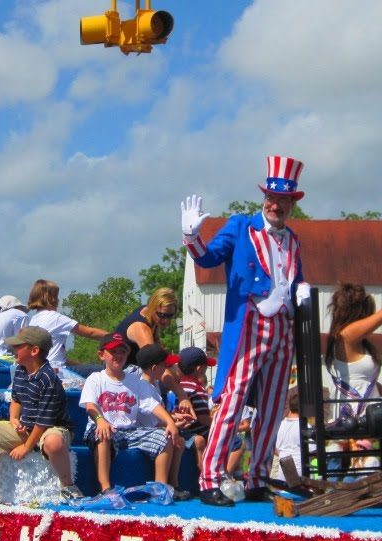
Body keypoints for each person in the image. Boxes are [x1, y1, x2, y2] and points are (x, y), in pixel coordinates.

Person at [180, 155, 308, 507]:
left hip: (283, 326)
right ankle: (210, 478)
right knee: (234, 401)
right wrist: (192, 235)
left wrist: (303, 293)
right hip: (250, 322)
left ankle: (257, 478)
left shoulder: (293, 241)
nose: (276, 205)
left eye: (283, 200)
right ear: (264, 198)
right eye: (272, 197)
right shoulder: (241, 227)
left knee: (272, 405)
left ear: (291, 204)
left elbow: (295, 281)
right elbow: (206, 258)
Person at [0, 326, 82, 505]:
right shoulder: (21, 371)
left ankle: (68, 486)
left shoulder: (49, 379)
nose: (13, 349)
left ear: (34, 350)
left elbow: (44, 422)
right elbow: (16, 399)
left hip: (51, 428)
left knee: (53, 443)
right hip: (28, 426)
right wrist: (14, 419)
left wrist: (25, 447)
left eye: (18, 346)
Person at [79, 333, 179, 494]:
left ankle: (160, 487)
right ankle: (105, 488)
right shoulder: (95, 379)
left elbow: (152, 405)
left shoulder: (135, 382)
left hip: (129, 432)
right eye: (113, 352)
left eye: (122, 352)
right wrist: (100, 420)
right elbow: (90, 405)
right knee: (103, 434)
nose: (118, 356)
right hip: (102, 427)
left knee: (165, 437)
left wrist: (170, 422)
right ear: (101, 355)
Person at [325, 278, 382, 422]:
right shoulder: (346, 334)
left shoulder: (357, 341)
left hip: (368, 408)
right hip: (356, 413)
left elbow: (367, 383)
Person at [134, 344, 189, 500]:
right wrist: (172, 424)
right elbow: (149, 422)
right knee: (171, 439)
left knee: (180, 441)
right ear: (154, 368)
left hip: (153, 428)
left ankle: (173, 485)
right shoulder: (143, 387)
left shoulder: (155, 384)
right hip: (144, 431)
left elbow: (158, 419)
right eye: (165, 366)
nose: (168, 369)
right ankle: (161, 487)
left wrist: (174, 419)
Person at [25, 279, 107, 371]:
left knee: (85, 368)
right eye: (56, 296)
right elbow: (90, 333)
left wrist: (79, 364)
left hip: (43, 368)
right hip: (57, 370)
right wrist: (115, 337)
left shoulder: (33, 320)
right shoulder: (56, 318)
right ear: (51, 298)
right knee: (105, 371)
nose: (58, 300)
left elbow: (54, 355)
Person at [272, 387, 301, 482]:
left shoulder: (280, 425)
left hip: (282, 471)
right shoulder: (304, 427)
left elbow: (275, 449)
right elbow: (313, 452)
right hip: (300, 472)